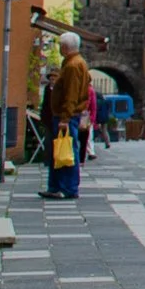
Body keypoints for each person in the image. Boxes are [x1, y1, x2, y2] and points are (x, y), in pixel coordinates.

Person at [42, 33, 91, 200]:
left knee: (67, 151)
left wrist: (65, 118)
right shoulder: (78, 63)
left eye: (61, 46)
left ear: (65, 47)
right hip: (67, 115)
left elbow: (71, 94)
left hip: (66, 116)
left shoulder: (72, 66)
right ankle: (56, 186)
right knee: (62, 150)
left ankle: (67, 187)